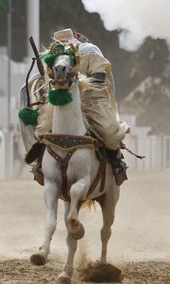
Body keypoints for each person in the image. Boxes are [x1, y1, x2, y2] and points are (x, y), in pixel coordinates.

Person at [25, 28, 129, 184]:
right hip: (61, 103)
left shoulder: (89, 51)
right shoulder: (52, 58)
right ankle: (41, 165)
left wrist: (77, 84)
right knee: (42, 130)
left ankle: (116, 163)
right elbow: (46, 82)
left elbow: (100, 77)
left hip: (91, 102)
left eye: (65, 42)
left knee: (109, 132)